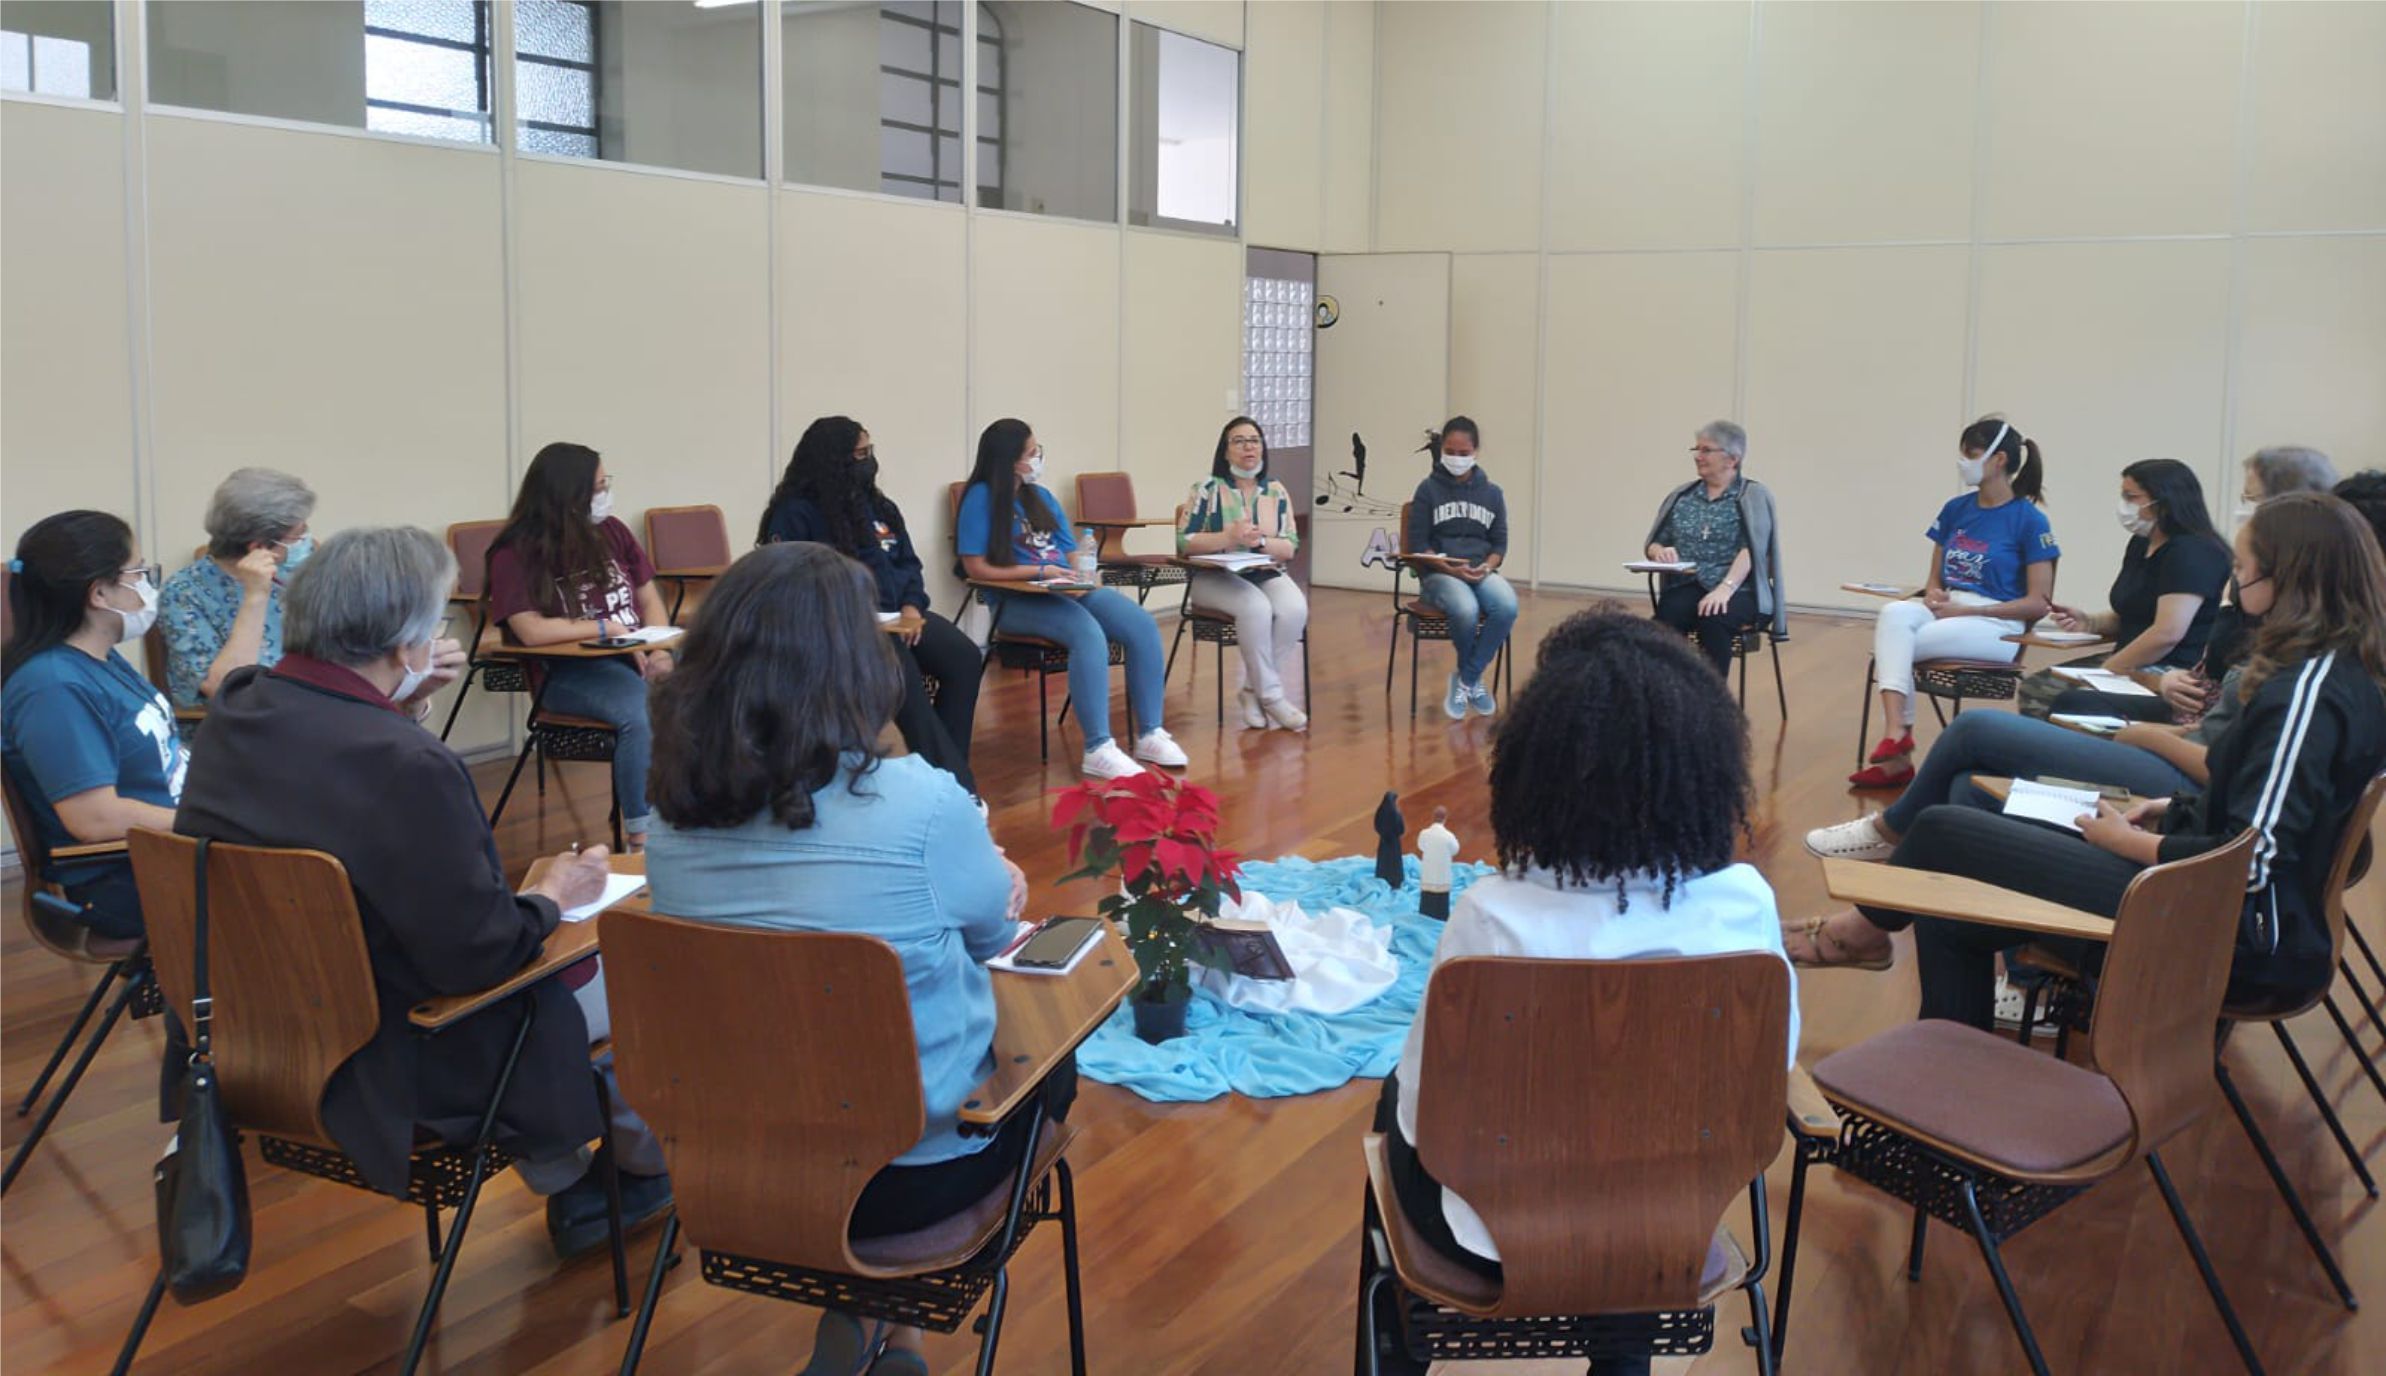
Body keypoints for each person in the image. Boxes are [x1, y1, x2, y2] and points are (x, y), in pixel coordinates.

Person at [173, 527, 672, 1257]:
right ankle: (624, 1176)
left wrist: (401, 709)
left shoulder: (239, 710)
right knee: (640, 962)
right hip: (398, 1054)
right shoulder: (409, 765)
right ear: (405, 647)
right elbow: (482, 956)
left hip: (253, 1037)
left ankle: (576, 1179)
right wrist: (553, 896)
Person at [643, 542, 1048, 1376]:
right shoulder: (923, 803)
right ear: (855, 668)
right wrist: (990, 877)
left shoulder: (669, 818)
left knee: (822, 1058)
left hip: (734, 1170)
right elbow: (984, 938)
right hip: (910, 1183)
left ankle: (862, 1317)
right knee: (1046, 1036)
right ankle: (897, 1332)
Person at [1375, 609, 1796, 1376]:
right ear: (1706, 776)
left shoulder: (1493, 920)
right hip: (1669, 1233)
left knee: (1391, 1101)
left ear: (1532, 776)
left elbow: (1423, 1109)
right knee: (1638, 1160)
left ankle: (1399, 1351)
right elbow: (1771, 1070)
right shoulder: (1744, 907)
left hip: (1492, 1241)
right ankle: (1621, 1357)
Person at [1786, 492, 2386, 1028]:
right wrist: (2167, 809)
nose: (2233, 581)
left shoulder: (2307, 692)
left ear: (2289, 579)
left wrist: (2130, 844)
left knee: (1945, 829)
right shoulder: (2335, 673)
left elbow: (2254, 860)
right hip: (2208, 897)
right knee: (1952, 895)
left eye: (2243, 568)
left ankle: (1865, 938)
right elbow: (2257, 807)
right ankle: (1946, 1085)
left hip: (2221, 929)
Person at [761, 415, 983, 793]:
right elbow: (789, 584)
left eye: (869, 451)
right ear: (834, 461)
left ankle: (945, 763)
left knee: (963, 656)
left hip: (899, 614)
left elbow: (909, 564)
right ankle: (954, 785)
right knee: (901, 670)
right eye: (859, 454)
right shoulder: (795, 512)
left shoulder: (880, 507)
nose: (868, 462)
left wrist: (913, 608)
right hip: (836, 626)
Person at [956, 418, 1183, 780]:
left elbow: (1068, 552)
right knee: (1087, 632)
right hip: (1015, 601)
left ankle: (1151, 732)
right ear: (1010, 460)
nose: (1038, 458)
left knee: (1140, 623)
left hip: (1063, 589)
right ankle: (1098, 747)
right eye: (1032, 452)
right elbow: (976, 567)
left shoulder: (1040, 497)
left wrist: (1081, 569)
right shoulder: (980, 498)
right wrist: (1038, 573)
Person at [1, 512, 185, 941]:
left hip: (173, 847)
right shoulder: (52, 687)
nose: (147, 584)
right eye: (139, 572)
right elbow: (95, 820)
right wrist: (215, 818)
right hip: (131, 878)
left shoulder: (98, 656)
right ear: (99, 593)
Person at [1851, 416, 2059, 787]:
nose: (1963, 462)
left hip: (1997, 625)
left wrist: (1971, 610)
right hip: (1949, 610)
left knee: (1897, 646)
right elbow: (1935, 576)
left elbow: (2037, 604)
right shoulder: (1956, 509)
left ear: (1999, 461)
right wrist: (1933, 593)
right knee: (1894, 613)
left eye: (1972, 455)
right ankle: (1897, 731)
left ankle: (1897, 755)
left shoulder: (2030, 521)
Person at [485, 441, 672, 846]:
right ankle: (644, 834)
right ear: (567, 495)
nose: (605, 495)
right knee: (641, 711)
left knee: (717, 684)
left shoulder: (612, 530)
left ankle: (709, 813)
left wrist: (659, 649)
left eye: (606, 485)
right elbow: (530, 629)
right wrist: (602, 629)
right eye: (598, 487)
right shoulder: (514, 551)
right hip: (569, 671)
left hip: (633, 655)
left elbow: (649, 598)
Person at [2019, 459, 2231, 722]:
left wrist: (2110, 670)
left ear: (2163, 502)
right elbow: (2134, 612)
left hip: (2172, 670)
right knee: (2034, 688)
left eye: (2131, 497)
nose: (2124, 506)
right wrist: (2090, 621)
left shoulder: (2193, 552)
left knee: (2064, 699)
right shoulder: (2141, 544)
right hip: (2131, 660)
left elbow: (2167, 633)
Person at [1179, 415, 1309, 732]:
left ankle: (1252, 691)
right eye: (1238, 441)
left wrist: (1262, 541)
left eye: (1254, 440)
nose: (1248, 447)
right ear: (1225, 452)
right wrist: (1228, 538)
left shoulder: (1276, 492)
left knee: (1295, 609)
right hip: (1213, 577)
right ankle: (1274, 697)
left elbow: (1290, 545)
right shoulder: (1206, 490)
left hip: (1263, 572)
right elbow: (1184, 542)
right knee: (1256, 608)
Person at [156, 467, 307, 714]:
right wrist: (255, 596)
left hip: (304, 719)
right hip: (236, 733)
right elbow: (225, 689)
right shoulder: (183, 593)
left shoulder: (292, 580)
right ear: (259, 547)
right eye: (297, 537)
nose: (305, 544)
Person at [1644, 420, 1787, 677]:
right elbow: (1655, 542)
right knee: (1664, 623)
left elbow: (1753, 550)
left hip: (1742, 589)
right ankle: (1665, 694)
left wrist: (1726, 588)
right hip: (1690, 584)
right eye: (1696, 450)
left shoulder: (1752, 496)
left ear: (1732, 459)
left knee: (1714, 618)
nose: (1698, 456)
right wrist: (1659, 552)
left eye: (1706, 450)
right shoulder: (1683, 496)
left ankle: (1711, 702)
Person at [1406, 416, 1515, 720]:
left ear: (1476, 452)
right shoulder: (1427, 490)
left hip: (1480, 570)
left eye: (1464, 453)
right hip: (1439, 574)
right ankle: (1474, 679)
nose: (1457, 459)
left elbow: (1499, 545)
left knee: (1506, 605)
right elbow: (1419, 545)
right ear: (1442, 451)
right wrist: (1451, 569)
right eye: (1451, 452)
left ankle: (1466, 678)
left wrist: (1487, 568)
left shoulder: (1493, 494)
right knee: (1465, 608)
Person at [1416, 806, 1458, 920]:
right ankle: (1440, 915)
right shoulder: (1449, 836)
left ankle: (1426, 914)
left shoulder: (1424, 833)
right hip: (1442, 872)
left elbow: (1420, 846)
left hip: (1429, 869)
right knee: (1441, 897)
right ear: (1445, 818)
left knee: (1427, 895)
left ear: (1433, 817)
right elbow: (1455, 849)